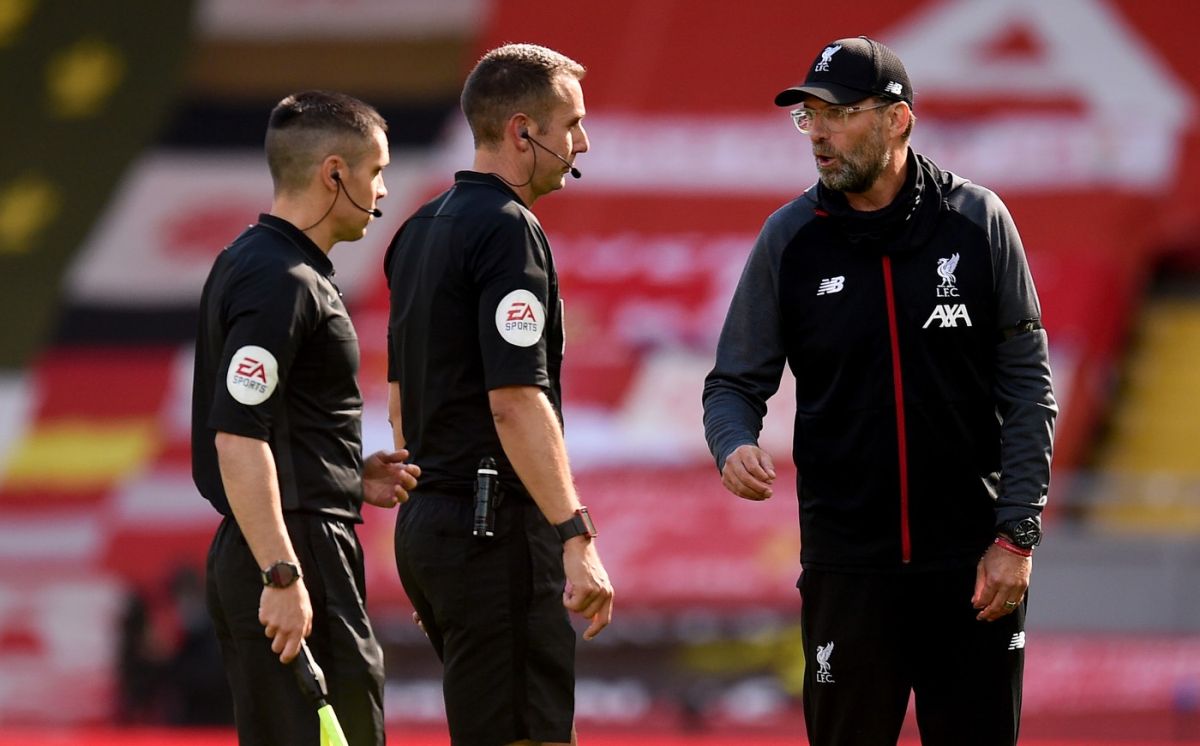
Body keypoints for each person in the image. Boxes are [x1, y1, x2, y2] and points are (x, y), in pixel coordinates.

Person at [702, 36, 1057, 746]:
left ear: (898, 119)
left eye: (836, 114)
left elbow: (1029, 391)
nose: (819, 135)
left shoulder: (979, 222)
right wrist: (733, 442)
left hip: (972, 568)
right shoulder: (790, 239)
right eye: (808, 117)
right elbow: (733, 383)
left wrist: (1015, 537)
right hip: (848, 571)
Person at [383, 43, 614, 746]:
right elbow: (514, 400)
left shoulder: (419, 229)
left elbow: (400, 399)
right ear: (521, 131)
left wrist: (438, 556)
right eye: (570, 123)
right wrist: (575, 534)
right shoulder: (508, 231)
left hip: (433, 526)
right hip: (493, 531)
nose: (582, 142)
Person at [192, 90, 420, 746]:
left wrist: (345, 476)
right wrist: (281, 573)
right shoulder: (280, 280)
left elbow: (275, 427)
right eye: (375, 171)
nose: (383, 191)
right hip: (294, 552)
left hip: (293, 535)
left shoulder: (260, 264)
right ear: (334, 174)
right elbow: (238, 435)